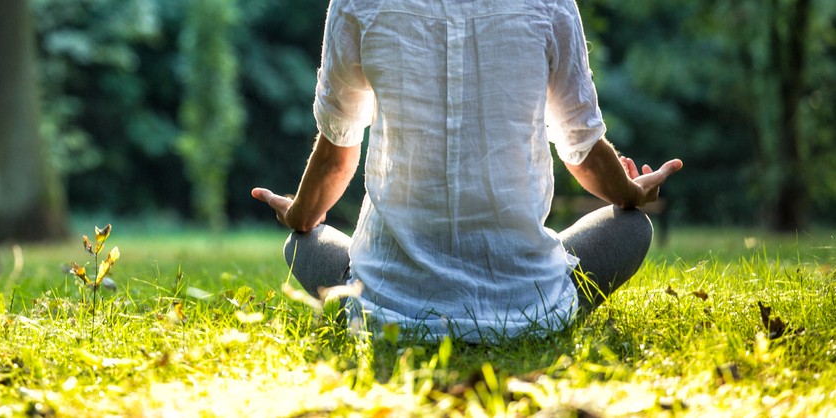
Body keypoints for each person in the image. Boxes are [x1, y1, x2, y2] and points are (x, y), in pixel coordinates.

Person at [250, 0, 683, 343]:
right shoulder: (550, 4)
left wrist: (299, 216)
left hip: (389, 312)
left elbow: (336, 155)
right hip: (528, 309)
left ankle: (382, 296)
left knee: (300, 245)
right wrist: (630, 191)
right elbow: (583, 152)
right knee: (632, 229)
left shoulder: (359, 3)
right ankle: (538, 302)